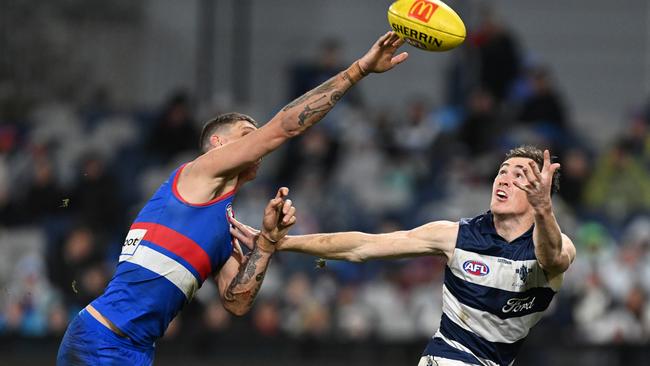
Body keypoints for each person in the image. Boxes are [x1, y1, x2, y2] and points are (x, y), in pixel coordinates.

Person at [56, 31, 409, 365]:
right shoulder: (197, 172)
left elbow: (237, 302)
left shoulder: (224, 229)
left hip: (135, 349)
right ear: (218, 145)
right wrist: (359, 70)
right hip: (103, 339)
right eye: (246, 135)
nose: (257, 144)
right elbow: (286, 126)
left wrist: (268, 243)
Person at [230, 146, 576, 366]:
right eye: (502, 171)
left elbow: (550, 258)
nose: (504, 178)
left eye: (520, 176)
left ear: (539, 193)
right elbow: (362, 246)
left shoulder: (557, 244)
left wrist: (544, 211)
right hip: (448, 357)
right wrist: (282, 243)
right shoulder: (456, 235)